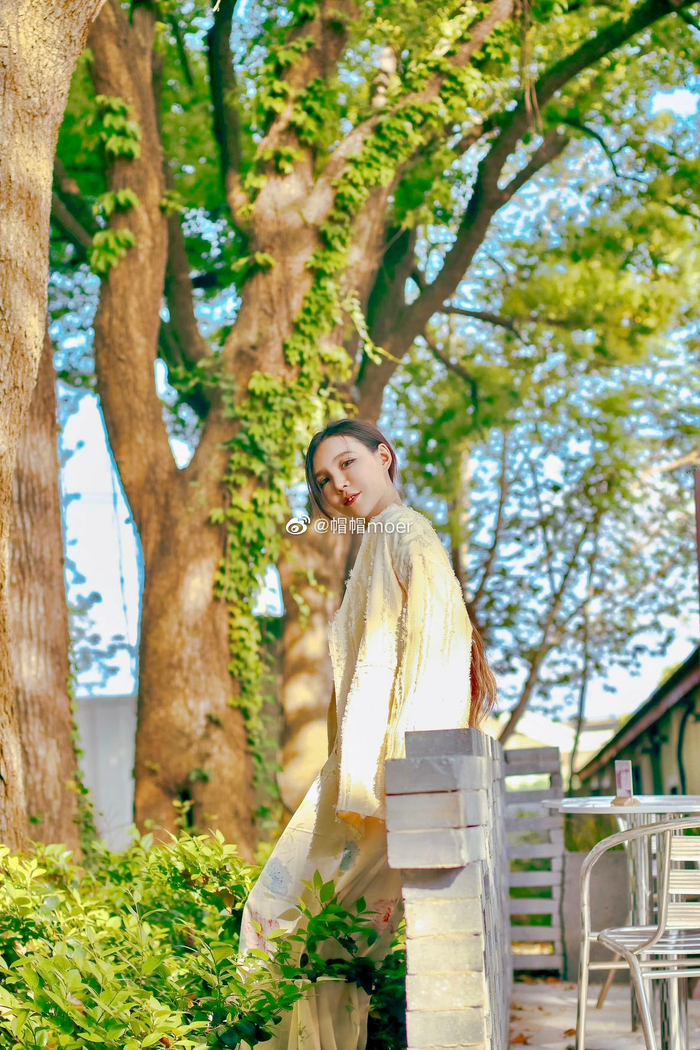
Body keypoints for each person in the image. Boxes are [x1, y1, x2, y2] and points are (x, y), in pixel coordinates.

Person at [238, 418, 498, 1050]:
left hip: (385, 782)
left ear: (384, 456)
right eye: (325, 479)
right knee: (338, 949)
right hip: (376, 777)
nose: (338, 484)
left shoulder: (403, 532)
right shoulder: (383, 539)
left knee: (273, 922)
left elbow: (437, 652)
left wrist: (406, 780)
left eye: (348, 463)